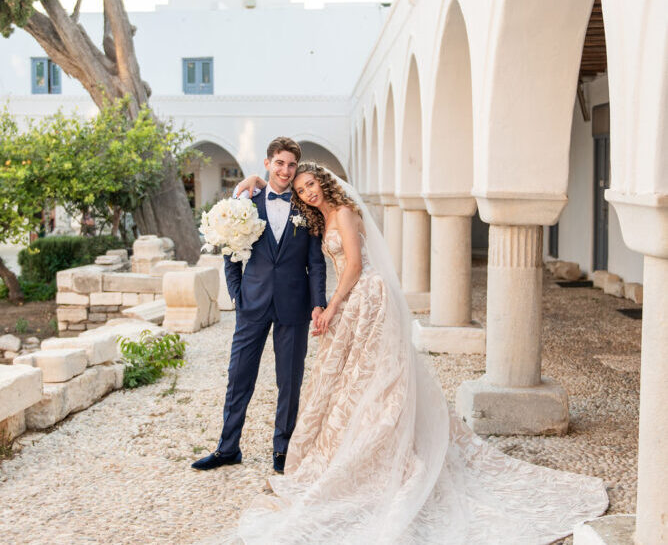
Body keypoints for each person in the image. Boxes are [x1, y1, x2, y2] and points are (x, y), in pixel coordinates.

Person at [223, 162, 608, 544]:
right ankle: (345, 448)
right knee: (348, 379)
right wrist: (253, 180)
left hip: (367, 297)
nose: (307, 191)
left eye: (311, 184)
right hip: (349, 301)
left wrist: (332, 306)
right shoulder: (316, 216)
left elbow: (354, 266)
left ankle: (384, 449)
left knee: (376, 376)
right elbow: (274, 189)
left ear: (323, 182)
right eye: (303, 188)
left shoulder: (343, 212)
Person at [191, 139, 327, 475]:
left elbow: (316, 262)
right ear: (267, 163)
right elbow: (229, 250)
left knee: (289, 381)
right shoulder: (246, 204)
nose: (285, 170)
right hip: (252, 303)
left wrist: (319, 304)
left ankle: (283, 451)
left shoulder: (306, 208)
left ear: (297, 168)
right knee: (239, 377)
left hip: (294, 305)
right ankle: (227, 448)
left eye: (291, 165)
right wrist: (237, 295)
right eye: (279, 163)